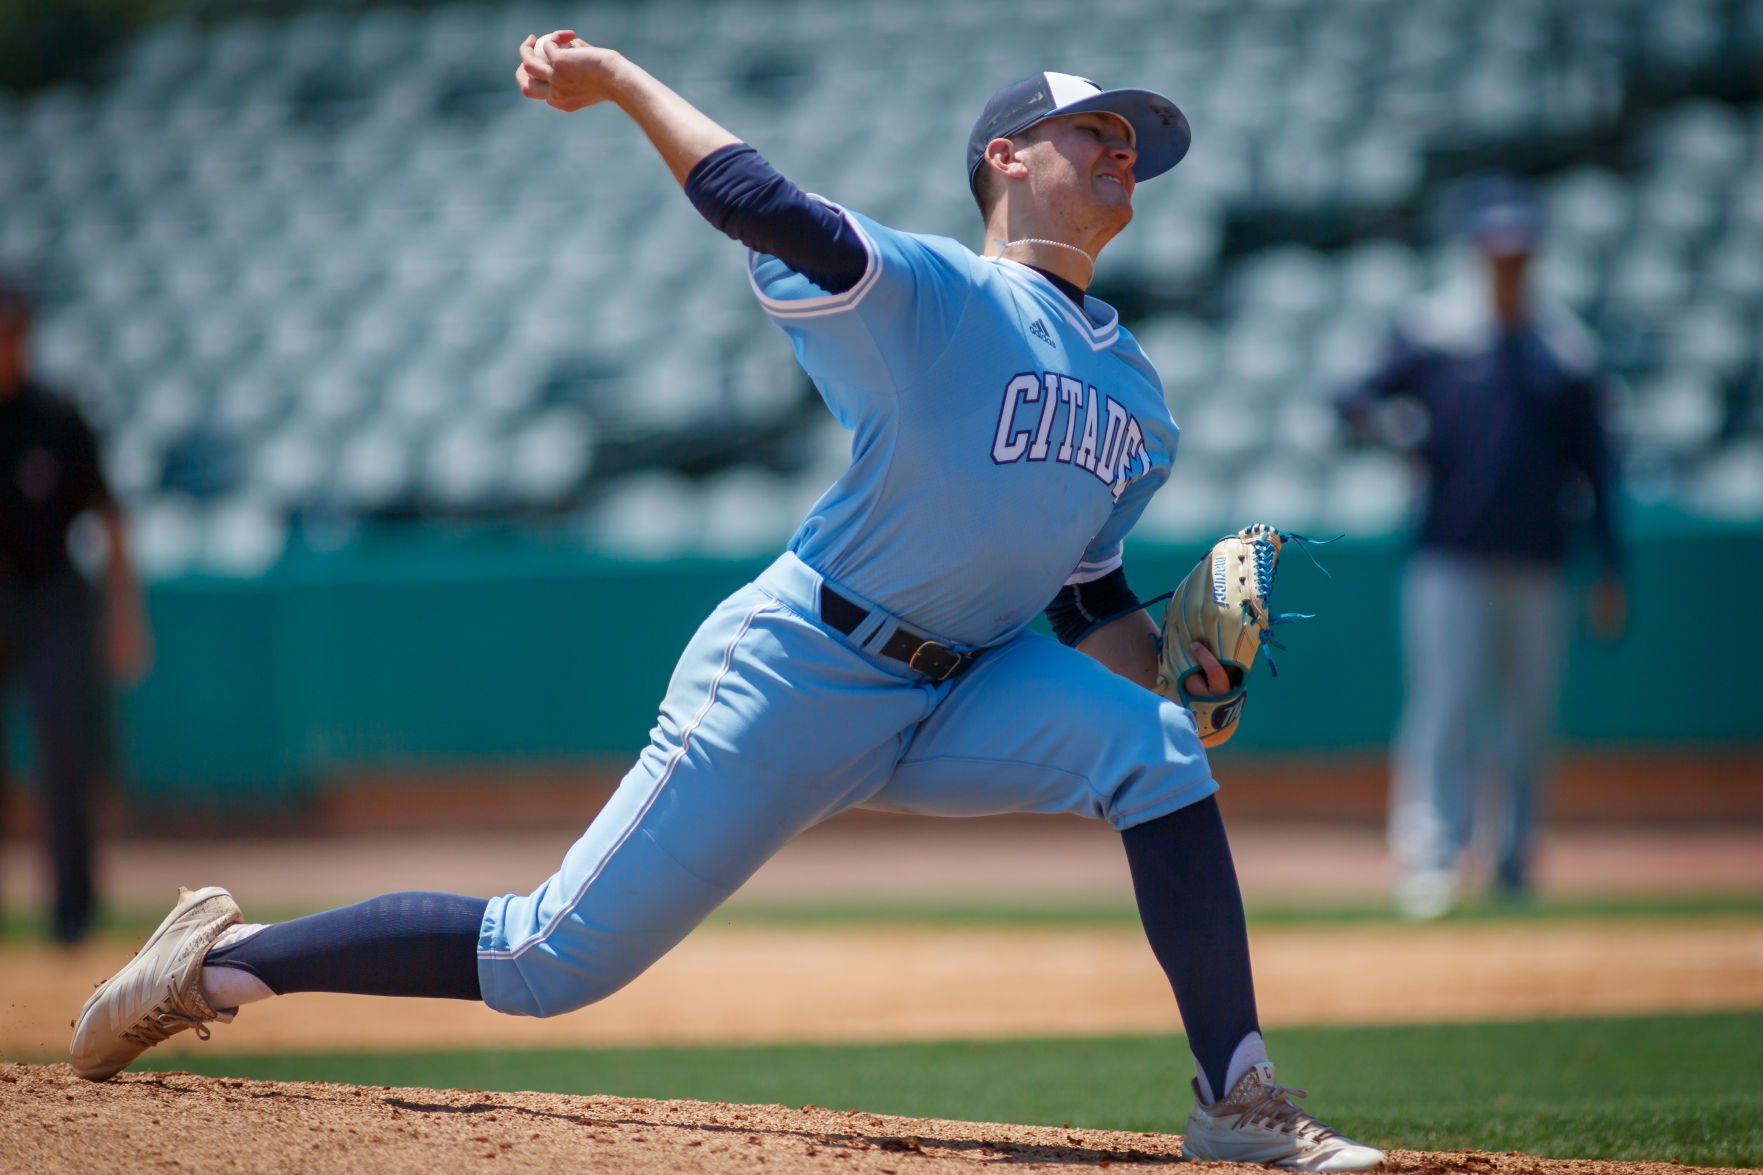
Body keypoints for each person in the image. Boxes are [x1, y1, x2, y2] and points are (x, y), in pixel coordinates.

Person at [70, 35, 1385, 1170]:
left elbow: (1080, 591)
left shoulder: (1139, 400)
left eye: (1130, 145)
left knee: (1147, 750)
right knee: (543, 961)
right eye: (1090, 129)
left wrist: (1172, 677)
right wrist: (620, 81)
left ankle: (1235, 1096)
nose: (1119, 154)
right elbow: (759, 201)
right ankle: (228, 955)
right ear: (1001, 156)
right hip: (798, 669)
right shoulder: (933, 290)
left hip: (966, 681)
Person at [1334, 176, 1626, 920]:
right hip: (1449, 555)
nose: (1507, 261)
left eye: (1517, 249)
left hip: (1539, 559)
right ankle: (1429, 852)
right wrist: (1399, 437)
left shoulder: (1561, 347)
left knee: (1529, 716)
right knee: (1447, 703)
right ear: (1475, 250)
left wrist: (1610, 565)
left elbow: (1598, 465)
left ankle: (1514, 856)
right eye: (1495, 248)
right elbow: (1350, 395)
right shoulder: (1435, 328)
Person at [0, 272, 152, 944]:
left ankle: (72, 914)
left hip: (53, 594)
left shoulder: (57, 418)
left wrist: (124, 611)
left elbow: (109, 517)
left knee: (66, 748)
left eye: (14, 332)